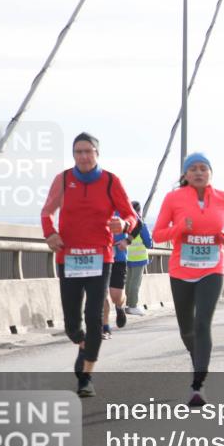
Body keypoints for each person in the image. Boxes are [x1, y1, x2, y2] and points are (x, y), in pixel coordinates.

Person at [41, 132, 137, 397]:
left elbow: (130, 214)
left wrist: (125, 225)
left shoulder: (110, 181)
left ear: (97, 153)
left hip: (100, 258)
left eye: (88, 151)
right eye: (78, 152)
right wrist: (50, 233)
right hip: (68, 257)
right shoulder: (62, 180)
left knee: (94, 318)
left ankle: (86, 376)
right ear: (73, 155)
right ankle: (83, 345)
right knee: (72, 324)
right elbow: (47, 211)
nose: (83, 156)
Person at [153, 152, 224, 406]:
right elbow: (158, 234)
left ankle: (198, 385)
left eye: (204, 168)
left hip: (212, 269)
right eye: (193, 169)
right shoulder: (173, 198)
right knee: (187, 329)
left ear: (211, 173)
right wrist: (180, 228)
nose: (199, 172)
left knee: (202, 323)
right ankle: (198, 358)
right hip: (181, 270)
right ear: (186, 175)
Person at [101, 211, 134, 338]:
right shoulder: (97, 205)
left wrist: (127, 240)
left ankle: (120, 307)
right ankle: (105, 327)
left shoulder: (121, 208)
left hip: (119, 258)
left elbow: (138, 224)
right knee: (103, 293)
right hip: (102, 257)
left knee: (116, 296)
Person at [124, 200, 153, 316]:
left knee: (128, 282)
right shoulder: (141, 224)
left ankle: (127, 304)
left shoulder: (125, 224)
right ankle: (133, 306)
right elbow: (148, 243)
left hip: (127, 257)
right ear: (139, 211)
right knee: (135, 283)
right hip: (139, 258)